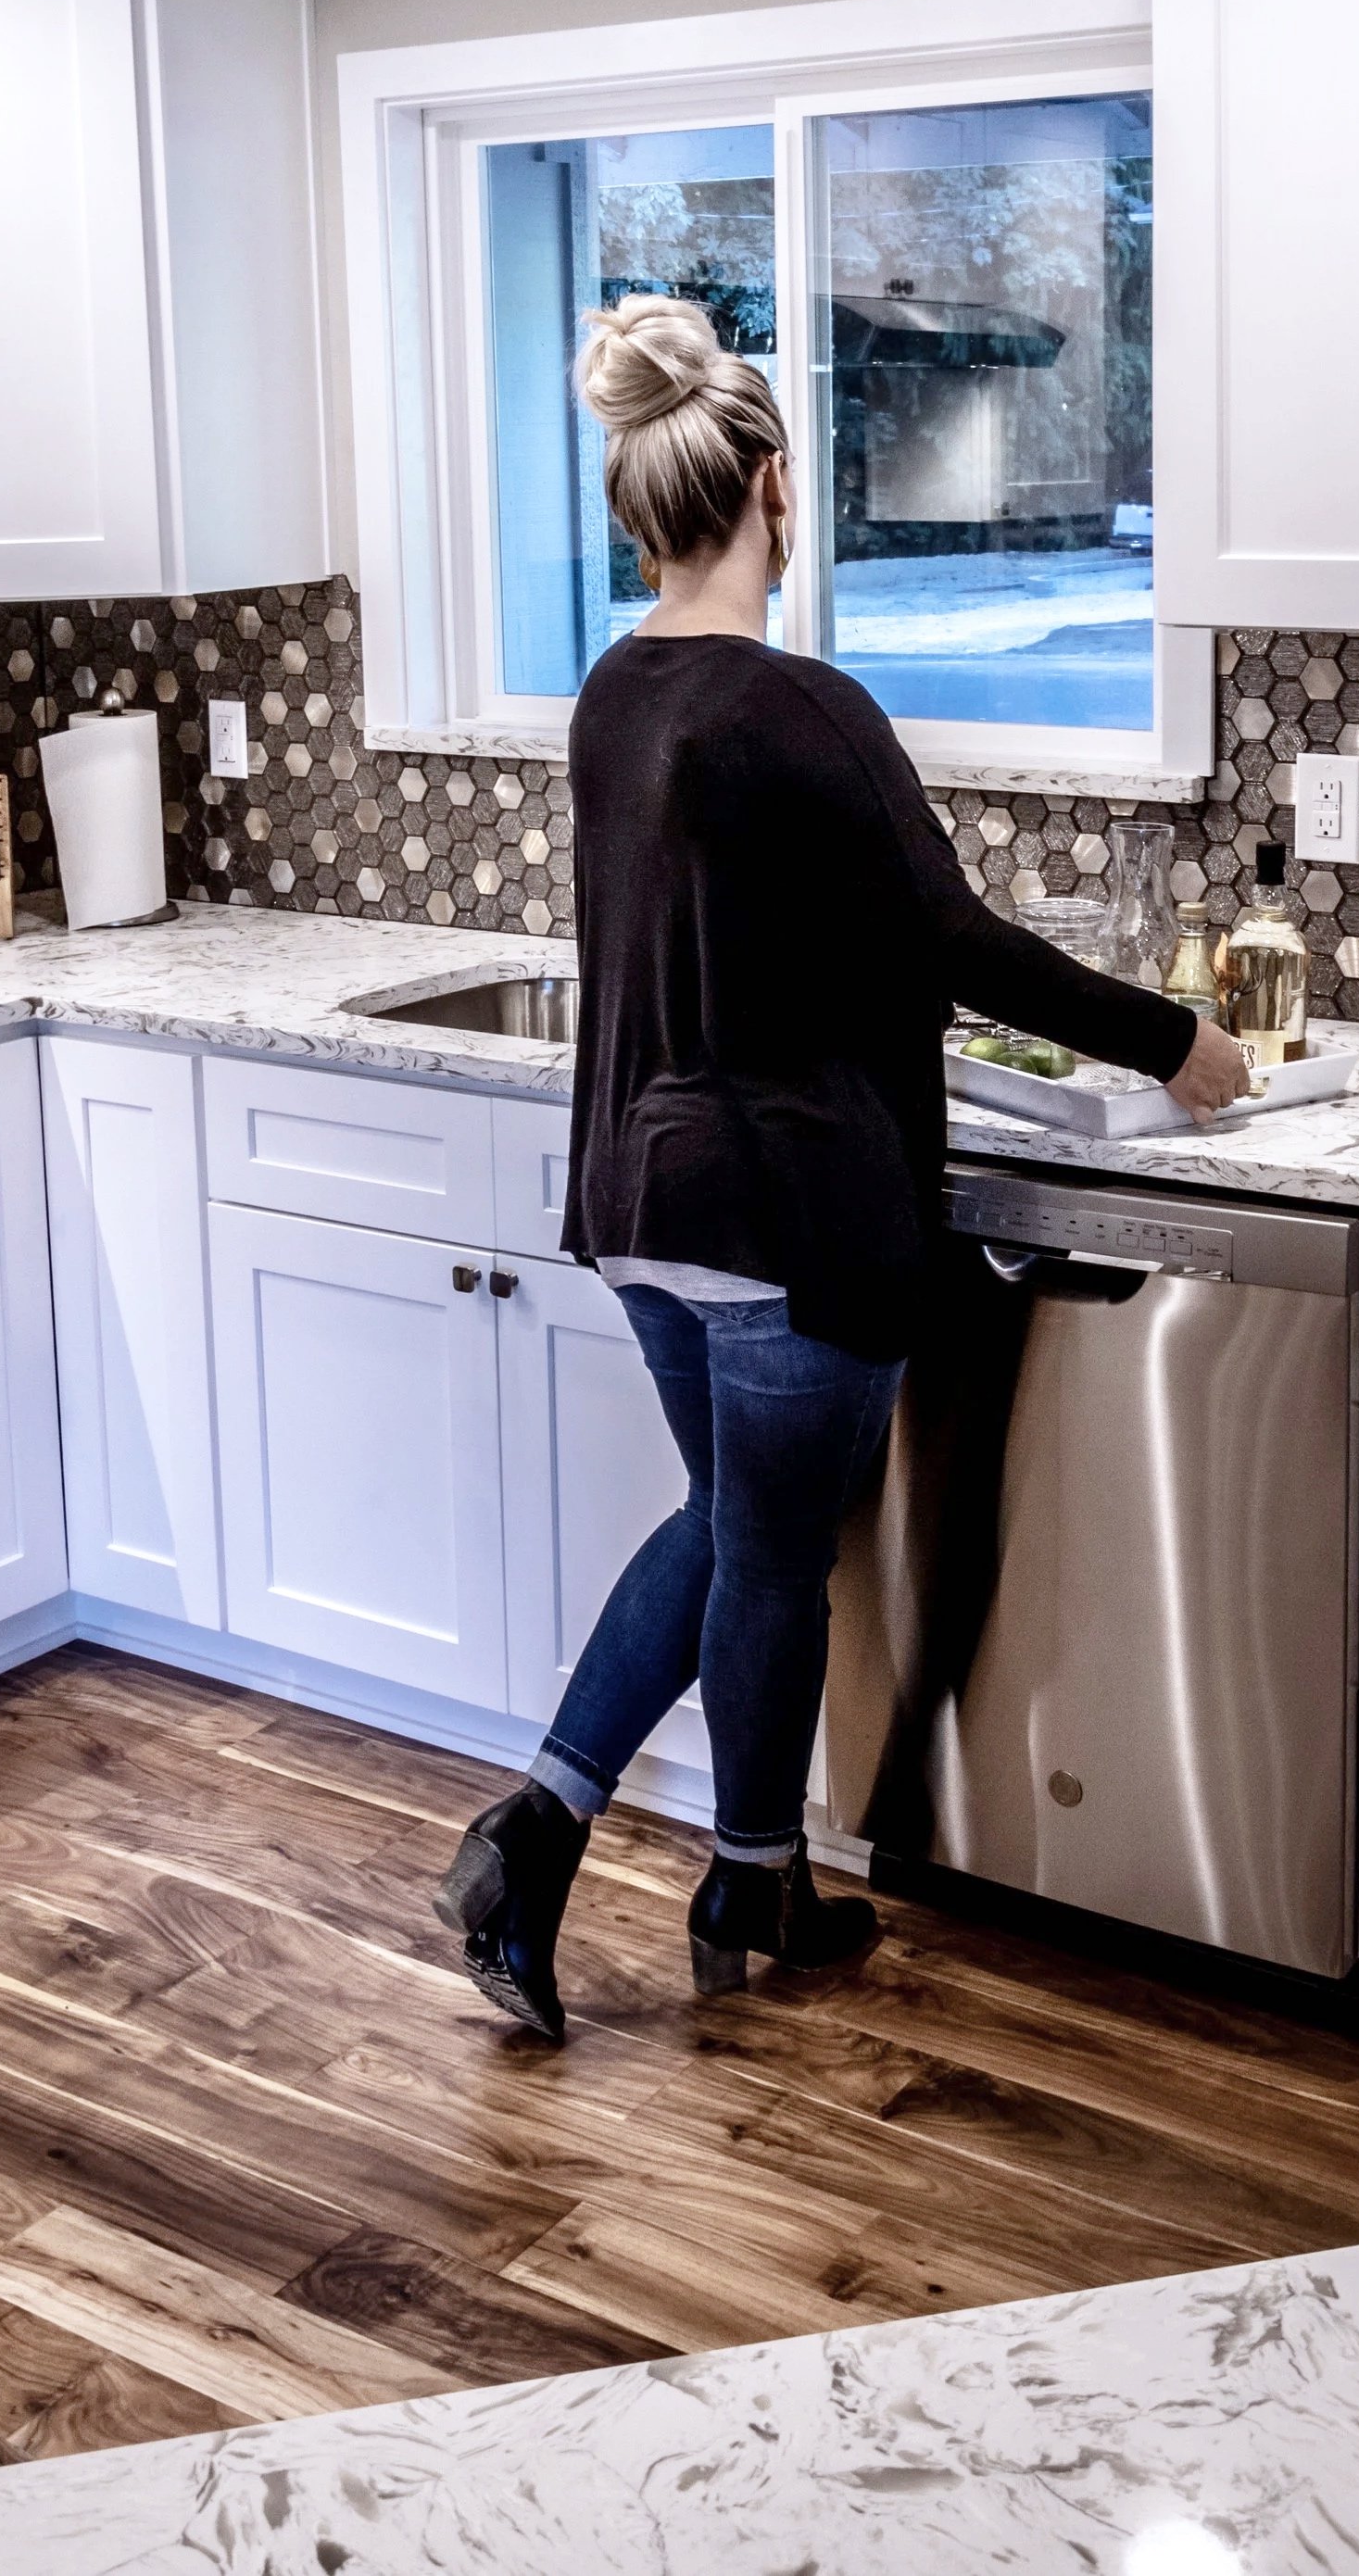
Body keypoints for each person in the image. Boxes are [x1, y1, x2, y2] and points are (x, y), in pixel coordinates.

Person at [434, 292, 1251, 2040]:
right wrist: (1176, 1042)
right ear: (776, 489)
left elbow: (776, 936)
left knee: (735, 1530)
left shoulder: (615, 693)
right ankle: (735, 1878)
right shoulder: (802, 705)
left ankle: (556, 1836)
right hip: (788, 1215)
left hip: (645, 1206)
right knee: (776, 1557)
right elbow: (958, 940)